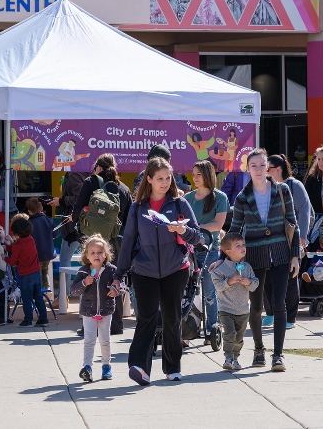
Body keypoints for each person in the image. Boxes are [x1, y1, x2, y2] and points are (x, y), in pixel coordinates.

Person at [211, 148, 301, 372]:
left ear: (268, 167)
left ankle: (278, 355)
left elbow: (293, 224)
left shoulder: (282, 191)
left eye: (262, 165)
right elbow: (234, 230)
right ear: (247, 168)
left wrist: (295, 256)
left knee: (279, 304)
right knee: (256, 307)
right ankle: (259, 349)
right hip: (253, 257)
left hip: (281, 253)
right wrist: (223, 258)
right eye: (254, 166)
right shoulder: (242, 197)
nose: (259, 169)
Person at [114, 157, 200, 385]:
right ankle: (139, 367)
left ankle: (173, 368)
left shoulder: (180, 203)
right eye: (159, 178)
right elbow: (129, 240)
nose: (164, 182)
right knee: (146, 318)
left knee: (172, 319)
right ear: (149, 179)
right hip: (144, 269)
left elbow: (197, 236)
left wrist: (183, 230)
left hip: (176, 269)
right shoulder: (137, 208)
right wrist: (118, 273)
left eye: (168, 178)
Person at [72, 154, 132, 335]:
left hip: (93, 242)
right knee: (114, 278)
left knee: (90, 279)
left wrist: (80, 225)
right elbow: (129, 219)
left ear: (97, 167)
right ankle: (116, 325)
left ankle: (89, 325)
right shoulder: (123, 188)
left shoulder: (91, 182)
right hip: (115, 242)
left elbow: (77, 210)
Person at [265, 153, 313, 328]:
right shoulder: (265, 186)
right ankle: (270, 312)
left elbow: (305, 211)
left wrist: (301, 238)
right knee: (268, 278)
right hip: (270, 240)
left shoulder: (294, 185)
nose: (264, 171)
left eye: (267, 168)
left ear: (278, 169)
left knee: (290, 278)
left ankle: (290, 318)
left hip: (291, 239)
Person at [184, 160, 230, 343]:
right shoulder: (187, 199)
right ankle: (186, 332)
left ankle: (212, 329)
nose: (194, 178)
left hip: (210, 249)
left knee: (210, 292)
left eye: (198, 174)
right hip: (189, 250)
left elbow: (218, 225)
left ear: (208, 175)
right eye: (193, 174)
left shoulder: (220, 197)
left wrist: (194, 229)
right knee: (187, 292)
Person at [70, 235, 119, 382]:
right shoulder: (84, 271)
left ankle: (106, 366)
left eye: (100, 252)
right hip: (89, 311)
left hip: (106, 310)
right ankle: (87, 367)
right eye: (92, 252)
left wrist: (116, 290)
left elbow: (121, 285)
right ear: (86, 255)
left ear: (106, 254)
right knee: (89, 340)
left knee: (105, 340)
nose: (96, 255)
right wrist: (84, 283)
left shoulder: (111, 270)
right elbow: (74, 291)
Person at [210, 232, 259, 371]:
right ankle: (228, 358)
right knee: (230, 333)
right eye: (238, 246)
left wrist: (248, 282)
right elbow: (218, 286)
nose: (243, 248)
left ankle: (236, 358)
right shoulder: (220, 269)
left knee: (239, 337)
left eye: (243, 245)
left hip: (243, 310)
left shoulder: (247, 267)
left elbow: (255, 284)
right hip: (226, 309)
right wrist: (229, 281)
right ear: (228, 251)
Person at [3, 213, 49, 328]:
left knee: (27, 298)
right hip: (36, 273)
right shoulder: (31, 240)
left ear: (16, 233)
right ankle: (43, 319)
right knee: (38, 296)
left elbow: (13, 261)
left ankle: (28, 319)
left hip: (25, 275)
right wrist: (8, 246)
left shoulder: (18, 245)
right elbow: (19, 247)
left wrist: (5, 258)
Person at [47, 171, 87, 296]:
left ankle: (64, 296)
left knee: (65, 261)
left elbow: (80, 197)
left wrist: (62, 201)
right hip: (86, 225)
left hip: (73, 226)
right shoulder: (88, 173)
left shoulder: (74, 174)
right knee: (88, 261)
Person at [26, 198, 55, 290]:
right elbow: (55, 233)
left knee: (36, 274)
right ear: (42, 208)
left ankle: (39, 292)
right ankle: (46, 290)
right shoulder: (49, 220)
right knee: (44, 271)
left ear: (29, 212)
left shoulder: (29, 224)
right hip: (48, 253)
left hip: (35, 254)